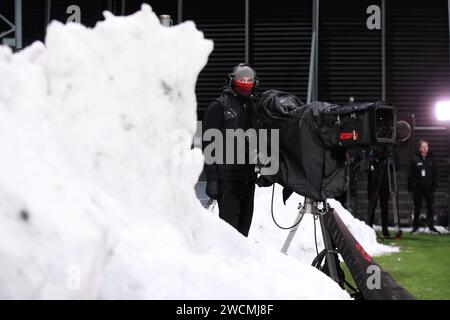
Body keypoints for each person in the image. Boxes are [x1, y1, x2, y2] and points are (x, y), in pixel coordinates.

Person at [202, 63, 258, 237]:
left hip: (248, 179)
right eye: (242, 79)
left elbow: (262, 137)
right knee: (229, 233)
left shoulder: (254, 107)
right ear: (233, 80)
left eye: (249, 80)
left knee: (244, 232)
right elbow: (207, 145)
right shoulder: (218, 107)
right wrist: (211, 178)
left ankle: (241, 264)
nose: (246, 83)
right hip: (227, 181)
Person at [408, 140, 439, 234]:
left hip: (429, 188)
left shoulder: (431, 159)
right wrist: (411, 185)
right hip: (418, 188)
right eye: (423, 146)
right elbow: (411, 174)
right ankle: (415, 227)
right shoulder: (415, 159)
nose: (425, 148)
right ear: (420, 148)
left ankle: (431, 227)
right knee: (417, 208)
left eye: (427, 146)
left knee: (431, 208)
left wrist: (434, 185)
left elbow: (435, 173)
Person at [366, 146, 392, 238]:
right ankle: (369, 229)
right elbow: (365, 168)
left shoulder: (387, 157)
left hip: (384, 185)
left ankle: (385, 230)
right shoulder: (370, 156)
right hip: (372, 185)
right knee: (371, 207)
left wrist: (388, 158)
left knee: (384, 208)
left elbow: (395, 167)